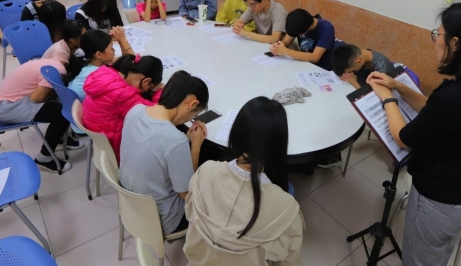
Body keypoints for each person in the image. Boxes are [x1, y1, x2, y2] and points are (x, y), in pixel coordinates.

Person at [365, 1, 461, 266]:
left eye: (437, 34)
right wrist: (398, 86)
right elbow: (435, 111)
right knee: (437, 252)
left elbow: (403, 137)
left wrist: (387, 98)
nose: (435, 41)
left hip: (439, 202)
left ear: (455, 43)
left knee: (419, 260)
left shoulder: (455, 96)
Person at [184, 96, 304, 266]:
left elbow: (190, 214)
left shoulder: (205, 171)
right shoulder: (286, 208)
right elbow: (289, 259)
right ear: (279, 143)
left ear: (236, 132)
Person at [119, 71, 209, 234]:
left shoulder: (135, 111)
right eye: (193, 114)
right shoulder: (175, 140)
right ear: (191, 104)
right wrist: (195, 146)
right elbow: (187, 194)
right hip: (163, 219)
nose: (189, 119)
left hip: (130, 206)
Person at [0, 58, 84, 173]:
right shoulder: (58, 71)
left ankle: (59, 137)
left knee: (57, 101)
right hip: (3, 107)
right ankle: (45, 157)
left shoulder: (56, 62)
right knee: (62, 113)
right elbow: (36, 99)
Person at [82, 53, 164, 162]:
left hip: (99, 134)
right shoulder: (123, 94)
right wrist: (160, 91)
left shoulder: (106, 71)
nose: (148, 90)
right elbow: (158, 113)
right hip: (115, 146)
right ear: (146, 81)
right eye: (150, 87)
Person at [67, 28, 134, 101]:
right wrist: (123, 40)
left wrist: (120, 41)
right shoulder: (98, 74)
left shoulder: (87, 60)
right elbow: (133, 66)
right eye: (111, 48)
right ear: (99, 54)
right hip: (83, 106)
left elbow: (125, 60)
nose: (114, 50)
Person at [270, 9, 336, 71]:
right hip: (302, 64)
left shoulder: (326, 29)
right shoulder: (299, 21)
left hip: (320, 69)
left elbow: (315, 57)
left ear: (306, 30)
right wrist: (277, 46)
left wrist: (286, 51)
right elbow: (286, 42)